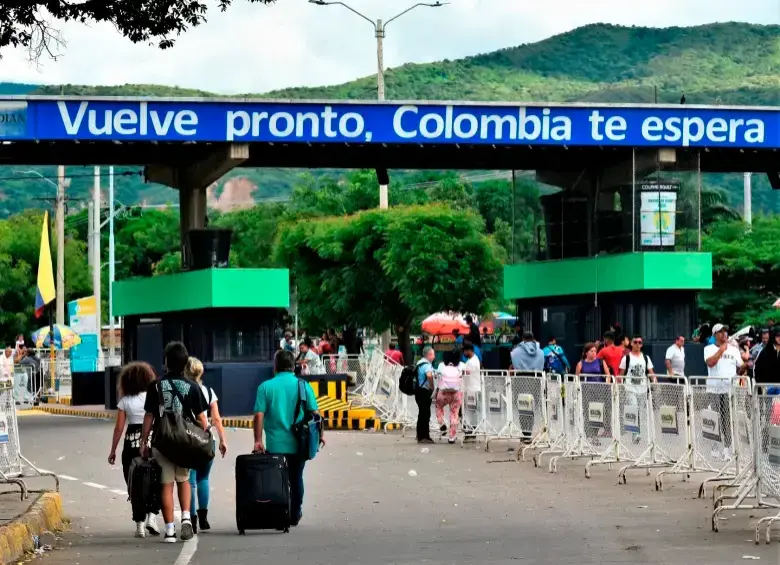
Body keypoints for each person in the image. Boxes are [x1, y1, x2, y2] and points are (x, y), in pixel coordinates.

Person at [140, 342, 209, 543]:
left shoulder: (155, 386)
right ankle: (186, 516)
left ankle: (170, 530)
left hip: (163, 441)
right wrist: (206, 438)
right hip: (185, 442)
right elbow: (202, 420)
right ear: (185, 363)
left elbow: (149, 416)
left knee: (166, 485)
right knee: (184, 479)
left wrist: (144, 441)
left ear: (166, 362)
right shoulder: (194, 387)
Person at [253, 350, 324, 526]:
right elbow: (315, 414)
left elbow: (259, 416)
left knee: (278, 480)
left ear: (275, 366)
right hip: (299, 444)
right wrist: (321, 435)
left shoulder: (265, 387)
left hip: (275, 445)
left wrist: (258, 440)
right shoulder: (304, 386)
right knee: (296, 477)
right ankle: (295, 513)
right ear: (294, 366)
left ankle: (279, 511)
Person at [108, 362, 160, 538]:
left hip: (131, 446)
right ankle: (152, 517)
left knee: (134, 485)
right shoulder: (154, 397)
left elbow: (119, 428)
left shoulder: (125, 401)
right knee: (156, 481)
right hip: (152, 443)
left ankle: (139, 525)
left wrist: (113, 450)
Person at [184, 357, 227, 534]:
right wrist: (223, 440)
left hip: (188, 439)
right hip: (207, 440)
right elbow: (216, 418)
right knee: (204, 478)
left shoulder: (183, 390)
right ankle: (204, 518)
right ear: (201, 372)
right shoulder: (208, 391)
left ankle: (192, 520)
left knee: (191, 481)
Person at [703, 324, 744, 459]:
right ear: (715, 334)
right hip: (714, 389)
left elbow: (741, 367)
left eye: (725, 331)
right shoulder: (708, 349)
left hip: (728, 390)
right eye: (720, 332)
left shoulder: (734, 350)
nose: (724, 334)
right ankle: (715, 446)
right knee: (714, 418)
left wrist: (743, 367)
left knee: (727, 419)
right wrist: (721, 350)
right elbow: (710, 363)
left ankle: (727, 448)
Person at [434, 364, 462, 444]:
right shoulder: (460, 365)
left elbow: (436, 375)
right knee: (454, 414)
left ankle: (441, 422)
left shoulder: (441, 365)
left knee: (438, 407)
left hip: (443, 393)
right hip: (456, 393)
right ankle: (452, 437)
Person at [459, 341, 481, 442]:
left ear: (468, 351)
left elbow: (467, 374)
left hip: (472, 389)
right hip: (469, 389)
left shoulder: (473, 362)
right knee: (470, 411)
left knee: (471, 411)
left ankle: (471, 431)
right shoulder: (471, 360)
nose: (463, 353)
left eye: (464, 351)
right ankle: (470, 430)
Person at [414, 347, 436, 444]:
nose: (434, 356)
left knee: (422, 413)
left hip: (418, 390)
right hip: (424, 391)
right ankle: (424, 436)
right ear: (429, 355)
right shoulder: (427, 365)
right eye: (433, 354)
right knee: (425, 414)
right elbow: (429, 375)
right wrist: (432, 386)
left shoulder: (419, 363)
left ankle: (420, 435)